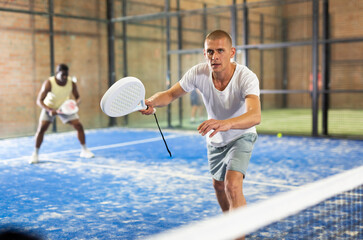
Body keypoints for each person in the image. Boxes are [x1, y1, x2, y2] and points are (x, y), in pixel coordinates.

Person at [141, 30, 261, 214]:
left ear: (232, 52)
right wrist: (151, 102)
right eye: (210, 52)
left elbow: (255, 116)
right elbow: (171, 94)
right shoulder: (198, 72)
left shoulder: (246, 77)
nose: (215, 56)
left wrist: (225, 123)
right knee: (219, 186)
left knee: (232, 186)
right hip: (215, 138)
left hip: (241, 135)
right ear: (205, 53)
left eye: (220, 50)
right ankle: (231, 223)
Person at [30, 64, 94, 164]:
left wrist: (75, 103)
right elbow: (39, 101)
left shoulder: (71, 83)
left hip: (65, 108)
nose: (65, 77)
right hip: (49, 107)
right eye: (62, 74)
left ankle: (84, 150)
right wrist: (49, 110)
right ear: (57, 73)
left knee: (78, 125)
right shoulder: (49, 83)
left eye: (66, 74)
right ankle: (35, 154)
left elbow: (78, 97)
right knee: (42, 128)